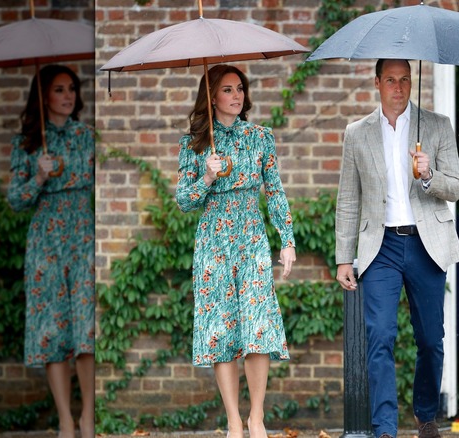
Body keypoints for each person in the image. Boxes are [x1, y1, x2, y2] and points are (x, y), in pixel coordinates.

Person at [335, 59, 459, 438]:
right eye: (390, 80)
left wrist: (428, 175)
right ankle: (385, 428)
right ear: (377, 83)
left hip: (427, 245)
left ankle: (426, 416)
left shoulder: (436, 126)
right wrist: (345, 256)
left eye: (405, 79)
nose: (399, 87)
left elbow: (455, 187)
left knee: (430, 339)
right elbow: (348, 199)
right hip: (381, 246)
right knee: (380, 336)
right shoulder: (356, 134)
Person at [175, 64, 296, 438]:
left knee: (258, 325)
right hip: (213, 240)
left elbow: (274, 190)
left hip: (251, 236)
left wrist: (287, 239)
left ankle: (257, 418)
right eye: (227, 90)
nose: (236, 95)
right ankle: (233, 421)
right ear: (212, 97)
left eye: (239, 88)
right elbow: (184, 200)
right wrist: (207, 176)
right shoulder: (194, 143)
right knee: (221, 329)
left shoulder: (261, 137)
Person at [6, 64, 95, 438]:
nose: (68, 95)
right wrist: (39, 177)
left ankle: (89, 416)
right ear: (44, 95)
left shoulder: (88, 136)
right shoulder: (27, 143)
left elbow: (94, 180)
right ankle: (65, 420)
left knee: (87, 329)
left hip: (82, 237)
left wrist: (62, 174)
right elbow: (15, 200)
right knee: (51, 331)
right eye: (59, 89)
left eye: (71, 88)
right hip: (46, 241)